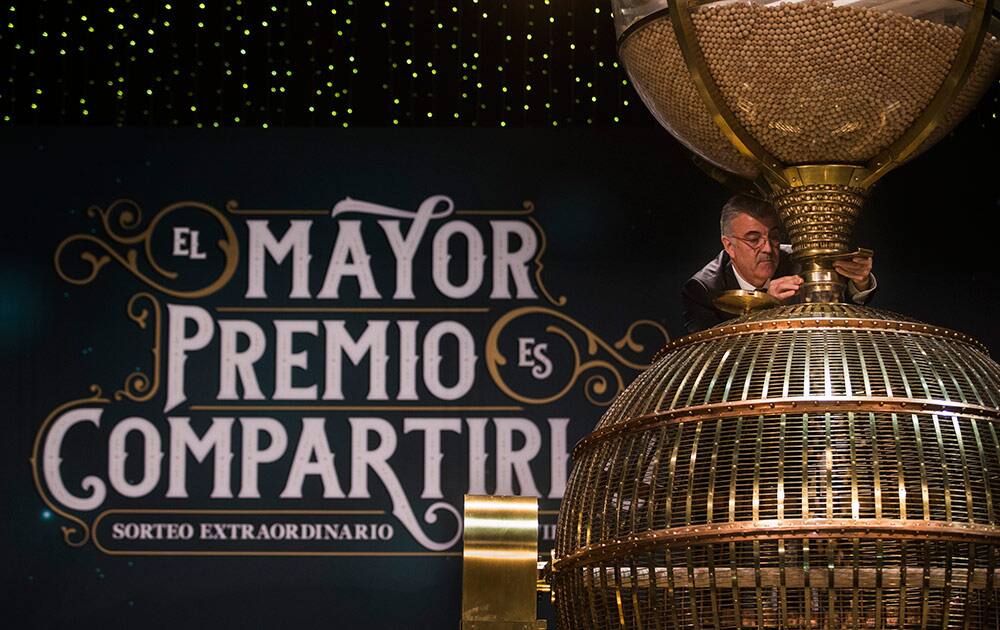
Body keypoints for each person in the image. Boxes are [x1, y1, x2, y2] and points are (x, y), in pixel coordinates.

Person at [681, 194, 876, 334]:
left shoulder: (800, 261)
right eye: (754, 239)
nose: (767, 248)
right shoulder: (703, 289)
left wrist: (860, 281)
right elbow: (710, 356)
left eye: (773, 237)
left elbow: (840, 310)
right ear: (729, 245)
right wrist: (765, 308)